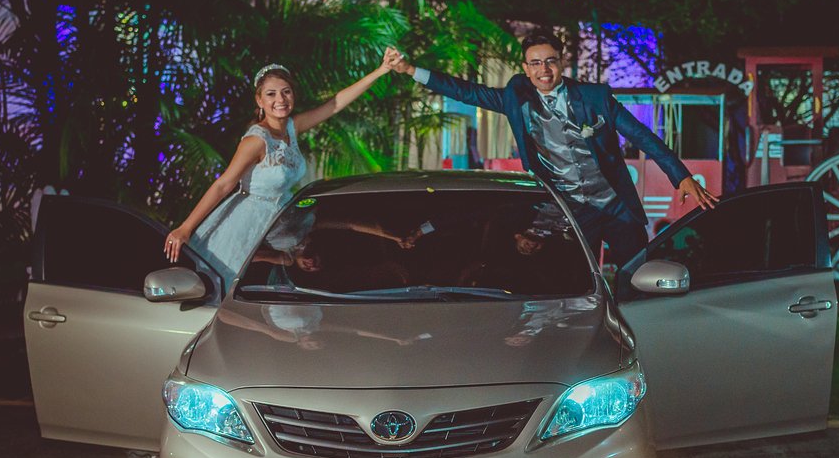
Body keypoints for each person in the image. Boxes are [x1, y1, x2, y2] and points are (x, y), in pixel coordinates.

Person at [382, 30, 717, 269]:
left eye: (551, 62)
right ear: (526, 68)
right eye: (536, 63)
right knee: (580, 282)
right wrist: (411, 70)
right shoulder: (517, 100)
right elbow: (465, 91)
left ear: (561, 63)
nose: (544, 70)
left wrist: (681, 176)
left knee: (639, 276)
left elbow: (643, 136)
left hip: (616, 205)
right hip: (571, 211)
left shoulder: (594, 97)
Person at [163, 61, 391, 280]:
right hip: (245, 222)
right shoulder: (256, 139)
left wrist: (381, 71)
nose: (280, 99)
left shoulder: (293, 127)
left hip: (278, 223)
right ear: (259, 100)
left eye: (286, 92)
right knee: (218, 287)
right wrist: (185, 228)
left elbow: (336, 104)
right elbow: (224, 184)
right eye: (271, 94)